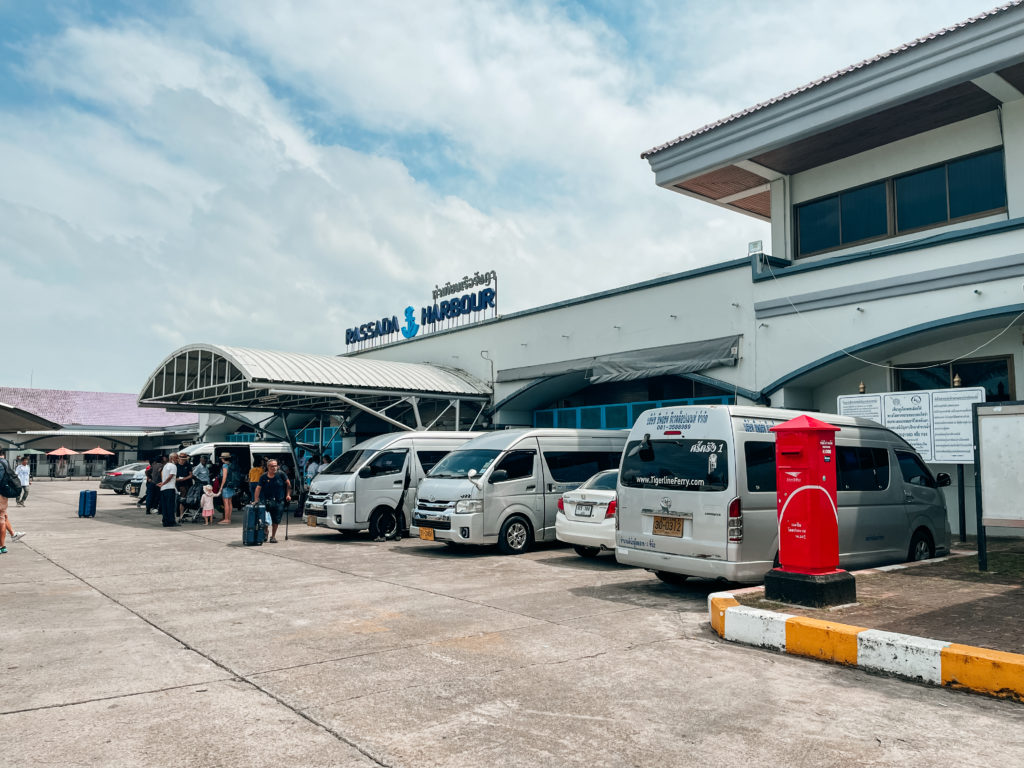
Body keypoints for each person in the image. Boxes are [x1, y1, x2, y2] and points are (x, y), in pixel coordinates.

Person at [254, 459, 291, 543]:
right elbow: (258, 488)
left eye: (275, 466)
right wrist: (256, 499)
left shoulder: (281, 474)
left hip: (279, 500)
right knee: (264, 518)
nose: (274, 468)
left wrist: (288, 495)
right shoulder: (263, 476)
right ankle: (266, 531)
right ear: (268, 467)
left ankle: (273, 536)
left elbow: (288, 484)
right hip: (265, 500)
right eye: (272, 466)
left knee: (276, 519)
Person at [217, 454, 239, 525]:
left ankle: (226, 519)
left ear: (223, 459)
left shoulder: (225, 466)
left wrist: (221, 487)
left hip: (226, 485)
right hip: (232, 485)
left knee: (226, 502)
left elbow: (224, 477)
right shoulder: (232, 465)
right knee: (230, 502)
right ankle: (228, 518)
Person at [159, 452, 179, 527]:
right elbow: (170, 476)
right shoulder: (173, 466)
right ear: (171, 458)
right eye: (176, 458)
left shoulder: (166, 466)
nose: (177, 459)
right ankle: (171, 521)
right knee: (170, 505)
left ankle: (165, 521)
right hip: (170, 488)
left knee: (165, 506)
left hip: (164, 489)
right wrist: (164, 483)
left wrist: (162, 483)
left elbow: (162, 474)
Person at [176, 454, 194, 520]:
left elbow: (191, 475)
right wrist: (178, 479)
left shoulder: (188, 465)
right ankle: (181, 514)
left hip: (188, 483)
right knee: (182, 498)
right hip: (180, 484)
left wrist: (184, 478)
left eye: (184, 460)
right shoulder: (176, 466)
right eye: (182, 459)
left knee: (187, 498)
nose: (183, 461)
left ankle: (185, 513)